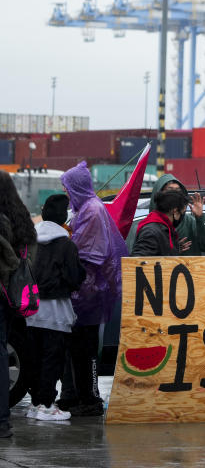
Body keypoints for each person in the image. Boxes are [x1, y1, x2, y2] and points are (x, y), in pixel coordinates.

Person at [58, 161, 127, 417]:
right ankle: (75, 396)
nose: (66, 193)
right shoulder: (84, 208)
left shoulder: (92, 210)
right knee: (77, 349)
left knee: (86, 350)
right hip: (82, 292)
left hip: (89, 292)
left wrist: (67, 241)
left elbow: (90, 252)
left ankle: (88, 399)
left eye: (67, 188)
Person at [25, 194, 85, 422]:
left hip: (31, 310)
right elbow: (74, 277)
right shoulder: (66, 245)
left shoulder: (31, 242)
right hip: (57, 312)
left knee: (35, 359)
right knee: (53, 359)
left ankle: (35, 403)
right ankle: (48, 405)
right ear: (63, 217)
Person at [0, 171, 36, 437]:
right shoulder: (21, 218)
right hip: (12, 295)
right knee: (2, 354)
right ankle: (2, 419)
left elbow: (8, 260)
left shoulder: (1, 221)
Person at [148, 174, 205, 254]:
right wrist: (173, 250)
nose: (174, 194)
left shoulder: (190, 222)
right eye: (169, 190)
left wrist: (201, 217)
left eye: (177, 191)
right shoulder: (149, 226)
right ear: (159, 194)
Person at [131, 188, 190, 257]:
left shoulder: (163, 228)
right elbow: (137, 262)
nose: (182, 216)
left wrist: (173, 250)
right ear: (175, 211)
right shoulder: (151, 232)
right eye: (182, 213)